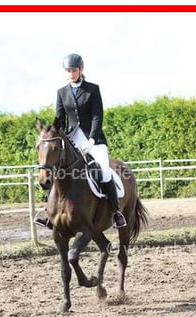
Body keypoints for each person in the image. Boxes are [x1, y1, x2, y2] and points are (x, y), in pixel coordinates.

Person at [34, 53, 127, 229]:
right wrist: (56, 136)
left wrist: (92, 138)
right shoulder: (62, 92)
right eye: (68, 70)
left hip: (93, 139)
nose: (71, 73)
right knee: (56, 170)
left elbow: (97, 116)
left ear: (81, 69)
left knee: (104, 172)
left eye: (74, 70)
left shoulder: (92, 89)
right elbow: (60, 120)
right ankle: (50, 214)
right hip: (72, 139)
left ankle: (116, 212)